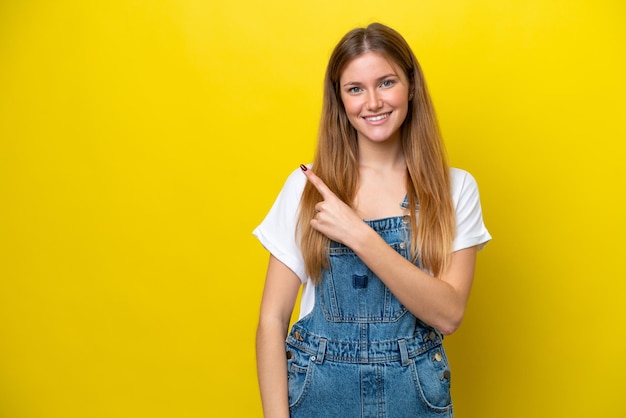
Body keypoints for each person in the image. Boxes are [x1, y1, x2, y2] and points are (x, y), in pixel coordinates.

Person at [253, 22, 491, 417]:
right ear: (341, 100)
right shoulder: (307, 187)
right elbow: (271, 320)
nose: (373, 102)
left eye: (386, 82)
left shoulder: (454, 189)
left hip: (413, 398)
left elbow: (448, 314)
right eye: (356, 89)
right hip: (318, 396)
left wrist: (358, 235)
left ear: (411, 86)